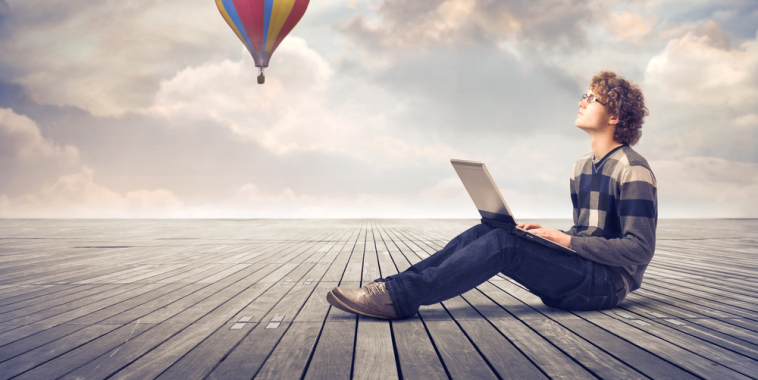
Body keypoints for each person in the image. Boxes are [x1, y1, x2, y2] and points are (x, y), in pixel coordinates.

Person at [326, 71, 657, 319]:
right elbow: (592, 235)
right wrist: (552, 237)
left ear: (614, 117)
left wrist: (567, 241)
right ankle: (388, 288)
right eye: (583, 96)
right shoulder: (582, 167)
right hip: (581, 271)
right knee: (495, 230)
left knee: (504, 245)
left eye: (592, 99)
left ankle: (399, 299)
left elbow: (639, 248)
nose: (582, 102)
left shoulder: (633, 169)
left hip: (605, 286)